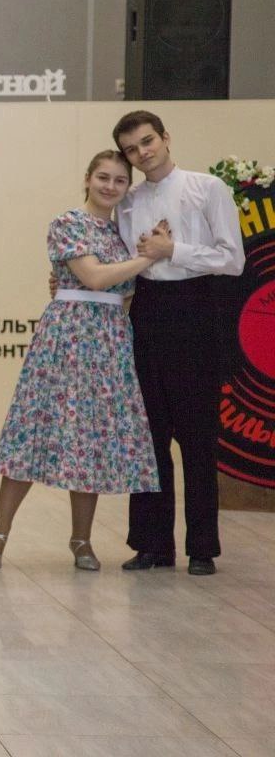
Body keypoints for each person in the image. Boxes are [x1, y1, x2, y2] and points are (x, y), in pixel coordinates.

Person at [0, 151, 164, 570]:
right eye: (103, 177)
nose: (110, 186)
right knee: (31, 433)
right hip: (66, 338)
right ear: (87, 179)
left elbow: (125, 293)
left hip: (109, 342)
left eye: (120, 180)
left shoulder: (122, 233)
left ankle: (81, 540)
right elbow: (94, 277)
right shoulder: (68, 222)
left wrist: (135, 265)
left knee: (91, 442)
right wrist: (149, 257)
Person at [113, 110, 244, 576]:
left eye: (147, 141)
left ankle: (202, 547)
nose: (142, 153)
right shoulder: (127, 202)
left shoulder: (207, 188)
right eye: (132, 149)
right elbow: (121, 265)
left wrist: (173, 250)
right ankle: (153, 545)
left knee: (197, 436)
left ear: (166, 138)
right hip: (146, 310)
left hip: (196, 308)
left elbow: (233, 259)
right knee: (148, 436)